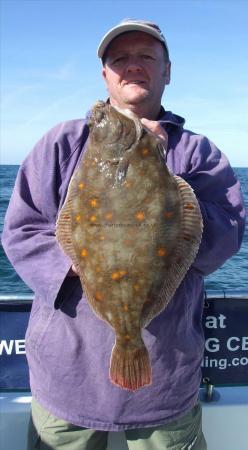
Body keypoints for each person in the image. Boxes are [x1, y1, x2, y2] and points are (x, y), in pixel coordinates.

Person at [2, 18, 246, 450]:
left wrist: (157, 175)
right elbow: (22, 231)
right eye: (120, 59)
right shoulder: (61, 143)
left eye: (146, 57)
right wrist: (81, 263)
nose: (133, 66)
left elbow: (224, 237)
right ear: (105, 75)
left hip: (165, 377)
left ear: (167, 71)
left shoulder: (199, 153)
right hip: (67, 375)